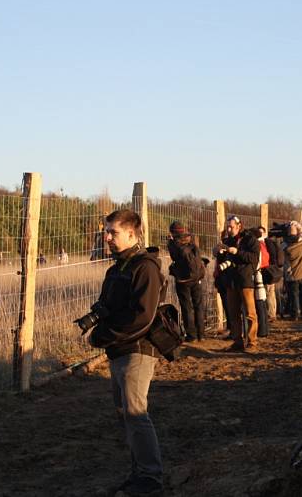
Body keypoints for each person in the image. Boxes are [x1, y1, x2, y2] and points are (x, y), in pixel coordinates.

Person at [80, 209, 164, 495]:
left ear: (132, 233)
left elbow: (143, 316)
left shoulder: (145, 267)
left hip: (137, 349)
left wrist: (104, 335)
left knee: (136, 413)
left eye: (112, 232)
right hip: (118, 350)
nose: (106, 237)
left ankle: (151, 478)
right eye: (106, 231)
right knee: (125, 414)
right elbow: (110, 306)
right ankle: (139, 472)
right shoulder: (117, 268)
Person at [219, 215, 260, 351]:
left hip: (245, 280)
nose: (229, 229)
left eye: (231, 226)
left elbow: (253, 258)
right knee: (233, 313)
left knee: (250, 313)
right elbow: (223, 259)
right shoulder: (227, 241)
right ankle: (237, 341)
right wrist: (219, 253)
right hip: (231, 281)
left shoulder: (250, 240)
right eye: (228, 227)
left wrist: (238, 252)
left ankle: (252, 342)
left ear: (239, 226)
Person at [167, 221, 206, 342]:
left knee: (186, 307)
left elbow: (174, 256)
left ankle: (191, 335)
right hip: (196, 278)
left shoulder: (174, 245)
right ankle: (201, 335)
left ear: (173, 232)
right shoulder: (191, 242)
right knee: (198, 305)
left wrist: (170, 241)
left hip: (183, 280)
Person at [282, 222, 302, 320]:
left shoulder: (284, 245)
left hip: (292, 274)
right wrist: (295, 224)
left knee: (294, 295)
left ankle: (295, 315)